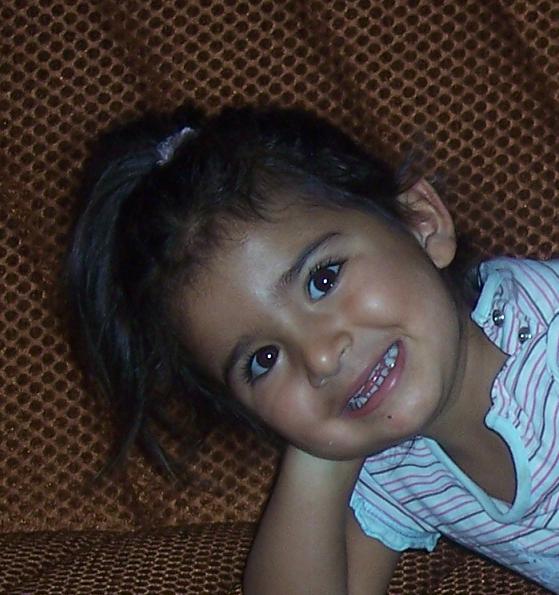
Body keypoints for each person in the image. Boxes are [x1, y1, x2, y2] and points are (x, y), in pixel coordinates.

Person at [66, 106, 559, 593]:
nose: (320, 358)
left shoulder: (548, 333)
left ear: (419, 222)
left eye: (323, 280)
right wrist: (322, 446)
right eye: (264, 361)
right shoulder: (395, 467)